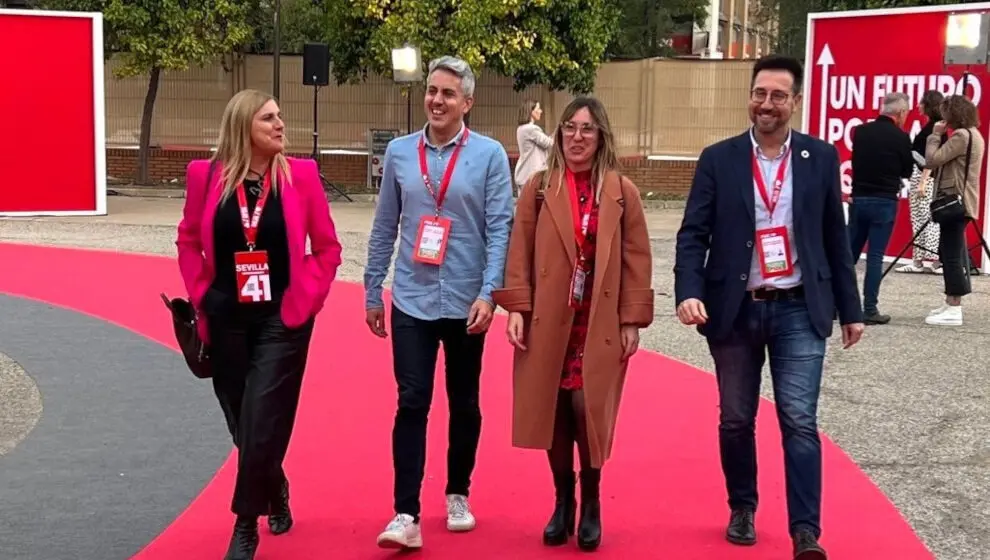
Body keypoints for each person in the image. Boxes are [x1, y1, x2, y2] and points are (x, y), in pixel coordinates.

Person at [673, 55, 864, 560]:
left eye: (778, 96)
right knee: (735, 418)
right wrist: (688, 291)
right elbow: (694, 233)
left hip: (799, 308)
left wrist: (852, 308)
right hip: (734, 309)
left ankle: (806, 531)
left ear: (794, 102)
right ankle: (742, 506)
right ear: (750, 96)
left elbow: (834, 239)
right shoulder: (720, 158)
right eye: (760, 93)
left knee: (799, 419)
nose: (767, 104)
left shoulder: (820, 159)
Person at [176, 88, 343, 560]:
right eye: (268, 118)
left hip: (281, 320)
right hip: (226, 316)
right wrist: (203, 294)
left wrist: (304, 300)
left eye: (280, 116)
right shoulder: (204, 177)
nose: (280, 124)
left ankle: (244, 525)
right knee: (242, 421)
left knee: (262, 415)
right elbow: (188, 240)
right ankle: (275, 486)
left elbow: (327, 249)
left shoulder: (302, 176)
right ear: (243, 127)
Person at [363, 55, 515, 550]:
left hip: (468, 301)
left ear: (467, 102)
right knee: (411, 401)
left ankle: (458, 493)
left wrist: (489, 293)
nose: (437, 100)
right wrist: (372, 288)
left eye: (449, 93)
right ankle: (405, 512)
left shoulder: (490, 155)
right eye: (432, 90)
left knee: (464, 402)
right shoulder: (402, 154)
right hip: (411, 297)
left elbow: (500, 228)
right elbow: (386, 225)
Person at [493, 96, 654, 551]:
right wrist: (518, 310)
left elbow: (636, 259)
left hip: (596, 319)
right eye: (569, 128)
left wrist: (632, 320)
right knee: (554, 411)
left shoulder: (622, 191)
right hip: (549, 317)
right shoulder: (540, 187)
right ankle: (562, 501)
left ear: (601, 135)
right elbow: (518, 252)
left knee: (588, 410)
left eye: (586, 129)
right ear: (559, 135)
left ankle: (592, 499)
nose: (577, 137)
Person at [847, 92, 914, 324]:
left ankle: (837, 305)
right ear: (901, 113)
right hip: (884, 201)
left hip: (859, 198)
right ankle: (870, 309)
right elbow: (907, 170)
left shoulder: (861, 132)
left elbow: (857, 161)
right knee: (875, 257)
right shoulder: (901, 137)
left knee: (849, 255)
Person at [924, 94, 985, 326]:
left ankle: (954, 307)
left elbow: (932, 160)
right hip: (963, 200)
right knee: (948, 250)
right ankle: (950, 300)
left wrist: (935, 135)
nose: (943, 118)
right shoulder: (974, 135)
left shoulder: (961, 136)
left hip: (954, 201)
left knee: (950, 255)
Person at [896, 89, 945, 275]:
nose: (918, 106)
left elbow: (932, 158)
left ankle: (936, 261)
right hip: (919, 174)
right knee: (917, 216)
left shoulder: (935, 129)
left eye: (922, 102)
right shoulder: (929, 127)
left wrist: (924, 181)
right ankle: (918, 260)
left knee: (929, 217)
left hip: (927, 176)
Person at [514, 99, 553, 195]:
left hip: (525, 174)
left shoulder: (521, 128)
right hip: (532, 174)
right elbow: (549, 143)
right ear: (531, 111)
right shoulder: (531, 129)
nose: (541, 111)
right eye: (538, 109)